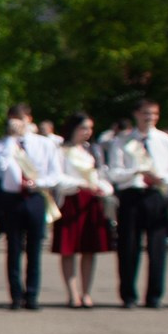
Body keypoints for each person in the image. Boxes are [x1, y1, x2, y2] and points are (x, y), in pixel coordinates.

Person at [103, 98, 168, 309]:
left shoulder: (166, 141)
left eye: (154, 114)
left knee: (157, 247)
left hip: (155, 194)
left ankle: (154, 295)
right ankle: (128, 295)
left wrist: (162, 178)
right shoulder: (123, 141)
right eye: (146, 113)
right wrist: (136, 171)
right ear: (137, 114)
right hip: (131, 193)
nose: (150, 118)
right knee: (128, 246)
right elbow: (114, 172)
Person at [0, 104, 61, 311]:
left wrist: (39, 183)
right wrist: (10, 141)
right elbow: (0, 167)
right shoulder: (2, 145)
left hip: (35, 196)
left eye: (21, 119)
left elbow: (55, 174)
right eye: (13, 119)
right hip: (12, 198)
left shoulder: (44, 144)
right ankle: (15, 295)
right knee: (13, 247)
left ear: (29, 119)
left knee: (35, 248)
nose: (17, 123)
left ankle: (32, 294)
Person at [46, 113, 113, 310]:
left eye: (90, 128)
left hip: (91, 202)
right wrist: (81, 184)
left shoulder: (92, 151)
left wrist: (102, 187)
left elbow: (101, 175)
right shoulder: (61, 150)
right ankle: (72, 293)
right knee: (69, 250)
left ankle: (86, 293)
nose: (87, 132)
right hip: (71, 200)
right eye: (83, 128)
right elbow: (57, 178)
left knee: (89, 249)